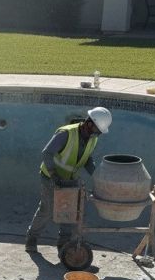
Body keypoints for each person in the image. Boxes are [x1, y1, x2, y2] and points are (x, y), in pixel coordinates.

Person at [25, 107, 112, 253]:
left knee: (70, 211)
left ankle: (64, 244)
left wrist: (97, 175)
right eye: (97, 130)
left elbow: (87, 158)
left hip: (70, 179)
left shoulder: (93, 138)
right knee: (47, 209)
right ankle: (31, 238)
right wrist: (54, 176)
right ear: (89, 124)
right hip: (50, 177)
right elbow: (47, 153)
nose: (98, 134)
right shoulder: (66, 134)